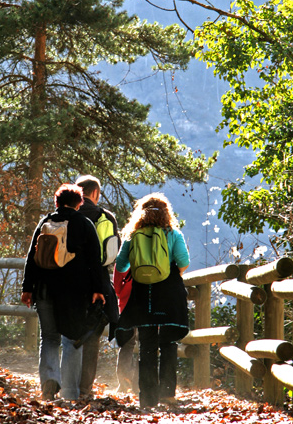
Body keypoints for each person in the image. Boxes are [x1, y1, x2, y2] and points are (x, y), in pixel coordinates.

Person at [21, 183, 105, 401]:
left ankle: (49, 385)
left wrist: (27, 289)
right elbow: (95, 261)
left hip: (44, 289)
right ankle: (69, 393)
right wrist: (98, 289)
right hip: (74, 292)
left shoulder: (45, 222)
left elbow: (32, 258)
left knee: (49, 337)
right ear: (79, 203)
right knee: (72, 338)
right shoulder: (84, 223)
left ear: (56, 202)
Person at [115, 193, 190, 409]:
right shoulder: (173, 233)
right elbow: (184, 261)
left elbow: (121, 265)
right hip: (169, 293)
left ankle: (147, 398)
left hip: (143, 296)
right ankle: (167, 393)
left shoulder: (133, 235)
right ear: (167, 213)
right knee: (168, 343)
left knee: (147, 345)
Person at [75, 174, 120, 399]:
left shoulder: (66, 215)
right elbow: (112, 254)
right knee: (92, 336)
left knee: (69, 332)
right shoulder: (105, 217)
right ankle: (85, 389)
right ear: (95, 193)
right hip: (98, 284)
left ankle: (68, 385)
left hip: (70, 282)